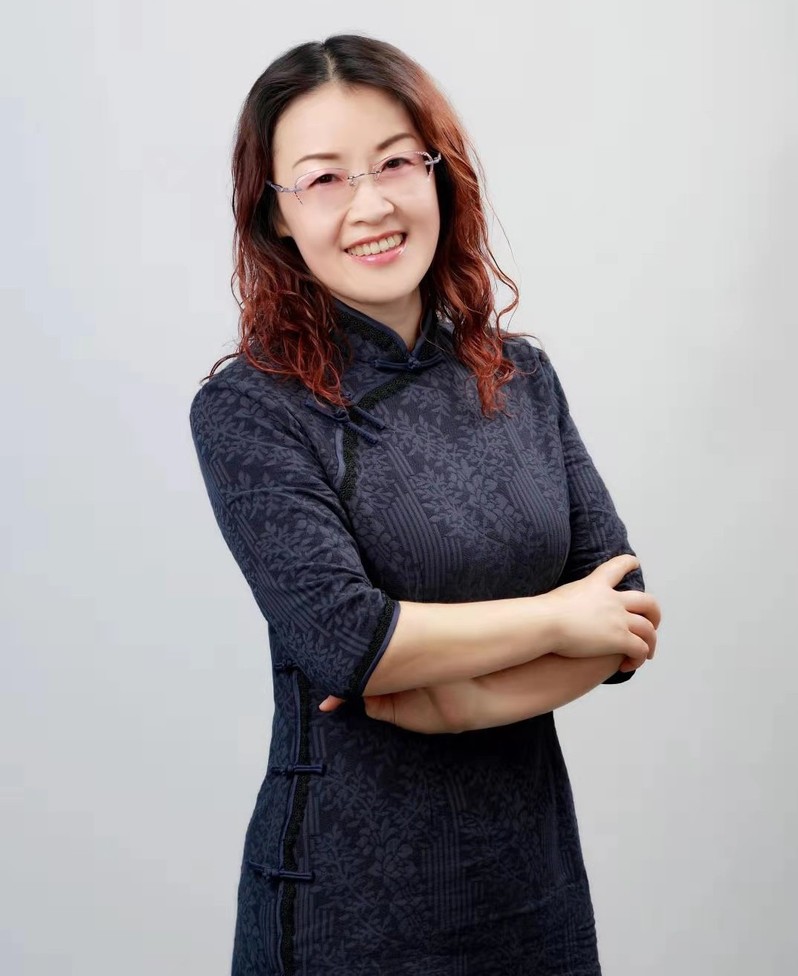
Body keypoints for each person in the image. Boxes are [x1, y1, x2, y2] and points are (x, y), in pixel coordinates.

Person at [189, 33, 661, 976]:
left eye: (397, 162)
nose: (371, 204)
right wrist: (552, 620)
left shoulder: (519, 376)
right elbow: (348, 641)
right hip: (349, 901)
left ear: (439, 174)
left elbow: (622, 617)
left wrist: (458, 704)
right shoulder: (252, 408)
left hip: (532, 891)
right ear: (275, 212)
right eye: (324, 178)